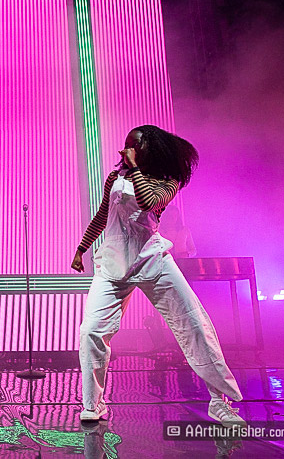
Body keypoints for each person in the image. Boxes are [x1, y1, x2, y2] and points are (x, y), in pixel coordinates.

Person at [71, 125, 245, 427]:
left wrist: (136, 169)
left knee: (194, 324)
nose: (125, 150)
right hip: (113, 263)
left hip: (152, 260)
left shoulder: (167, 182)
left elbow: (148, 202)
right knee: (91, 332)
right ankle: (93, 403)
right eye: (126, 144)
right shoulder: (116, 178)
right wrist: (81, 248)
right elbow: (102, 215)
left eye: (133, 146)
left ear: (149, 151)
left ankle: (220, 402)